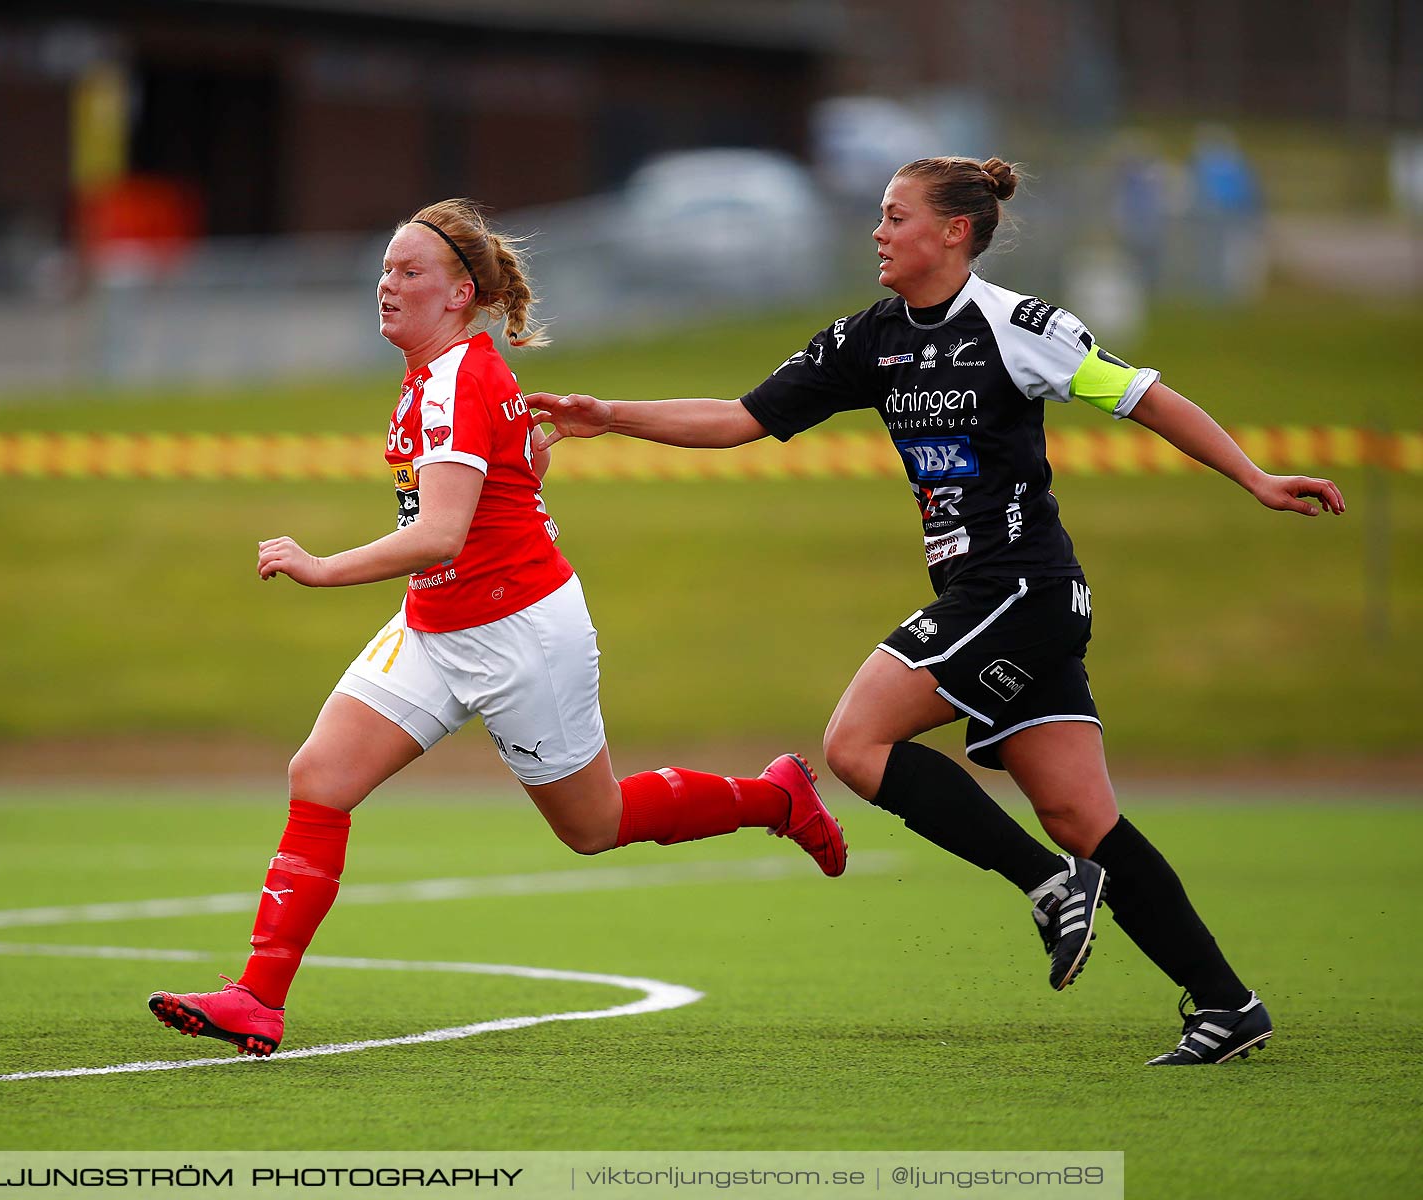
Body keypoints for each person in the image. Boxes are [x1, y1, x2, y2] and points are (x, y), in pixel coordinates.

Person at [530, 157, 1345, 1066]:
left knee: (853, 744)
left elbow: (1145, 396)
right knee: (1084, 819)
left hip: (1021, 589)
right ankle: (1227, 1005)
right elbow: (738, 417)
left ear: (955, 231)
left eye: (895, 215)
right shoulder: (867, 340)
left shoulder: (1016, 325)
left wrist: (1256, 478)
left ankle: (1043, 885)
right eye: (878, 216)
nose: (878, 231)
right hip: (983, 600)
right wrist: (612, 414)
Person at [148, 199, 847, 1057]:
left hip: (520, 632)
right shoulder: (450, 371)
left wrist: (322, 566)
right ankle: (256, 998)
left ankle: (776, 797)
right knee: (321, 775)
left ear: (459, 294)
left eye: (410, 272)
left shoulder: (453, 376)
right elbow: (502, 479)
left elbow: (439, 532)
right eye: (385, 269)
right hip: (438, 623)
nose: (387, 286)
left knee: (593, 826)